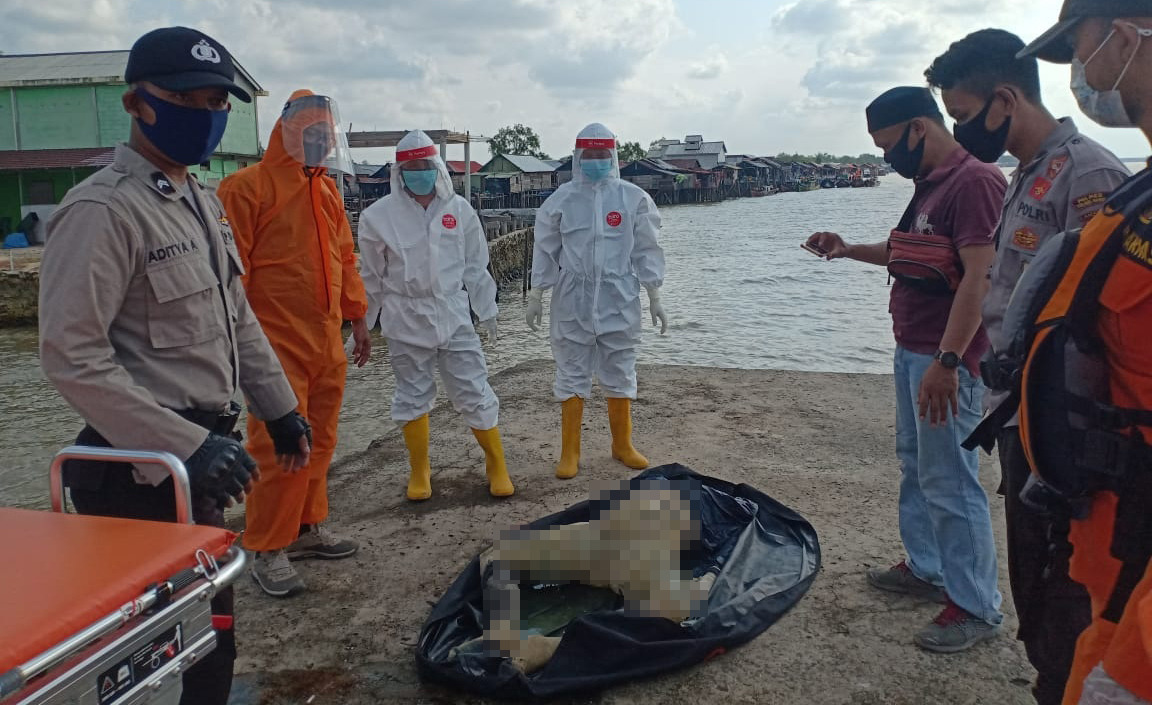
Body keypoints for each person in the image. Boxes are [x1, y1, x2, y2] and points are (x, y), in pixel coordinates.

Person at [38, 27, 312, 705]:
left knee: (212, 635)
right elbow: (71, 357)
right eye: (189, 97)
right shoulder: (103, 211)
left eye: (218, 99)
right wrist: (187, 444)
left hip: (204, 465)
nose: (208, 112)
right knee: (150, 652)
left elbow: (236, 320)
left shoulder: (201, 202)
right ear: (138, 104)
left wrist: (279, 409)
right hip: (139, 473)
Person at [926, 29, 1129, 703]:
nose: (960, 130)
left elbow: (1106, 321)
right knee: (1034, 581)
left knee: (1067, 582)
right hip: (1019, 413)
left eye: (962, 114)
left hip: (1065, 423)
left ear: (1004, 99)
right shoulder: (1030, 172)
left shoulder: (1089, 174)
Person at [806, 86, 1006, 652]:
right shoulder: (929, 186)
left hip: (945, 357)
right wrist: (847, 250)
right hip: (911, 347)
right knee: (917, 464)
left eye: (889, 145)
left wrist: (948, 361)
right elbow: (909, 253)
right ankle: (927, 568)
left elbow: (979, 278)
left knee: (951, 480)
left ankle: (976, 606)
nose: (887, 158)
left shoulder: (977, 183)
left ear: (921, 127)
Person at [1018, 3, 1152, 702]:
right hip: (1107, 566)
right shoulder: (1138, 196)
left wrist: (1131, 673)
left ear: (1126, 38)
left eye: (1078, 48)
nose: (1079, 73)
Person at [217, 90, 371, 597]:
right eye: (312, 135)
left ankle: (305, 529)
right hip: (273, 343)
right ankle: (265, 546)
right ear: (287, 134)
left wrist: (359, 318)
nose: (321, 144)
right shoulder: (246, 188)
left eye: (327, 137)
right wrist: (232, 347)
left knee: (322, 439)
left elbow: (344, 257)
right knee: (275, 446)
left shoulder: (327, 191)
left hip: (326, 340)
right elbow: (229, 275)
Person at [357, 129, 514, 501]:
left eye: (424, 166)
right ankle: (420, 470)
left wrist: (487, 311)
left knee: (474, 387)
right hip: (404, 315)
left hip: (453, 312)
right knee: (412, 394)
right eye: (410, 167)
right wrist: (361, 323)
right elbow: (371, 277)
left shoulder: (459, 210)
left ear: (437, 167)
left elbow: (477, 266)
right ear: (399, 172)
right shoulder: (378, 217)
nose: (419, 173)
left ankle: (496, 463)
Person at [526, 123, 668, 480]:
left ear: (613, 157)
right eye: (588, 156)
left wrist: (654, 293)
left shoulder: (633, 198)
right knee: (571, 365)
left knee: (620, 364)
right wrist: (536, 292)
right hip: (572, 293)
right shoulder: (560, 200)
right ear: (578, 157)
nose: (595, 162)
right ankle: (570, 451)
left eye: (601, 155)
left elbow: (647, 248)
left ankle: (622, 444)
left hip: (618, 292)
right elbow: (544, 249)